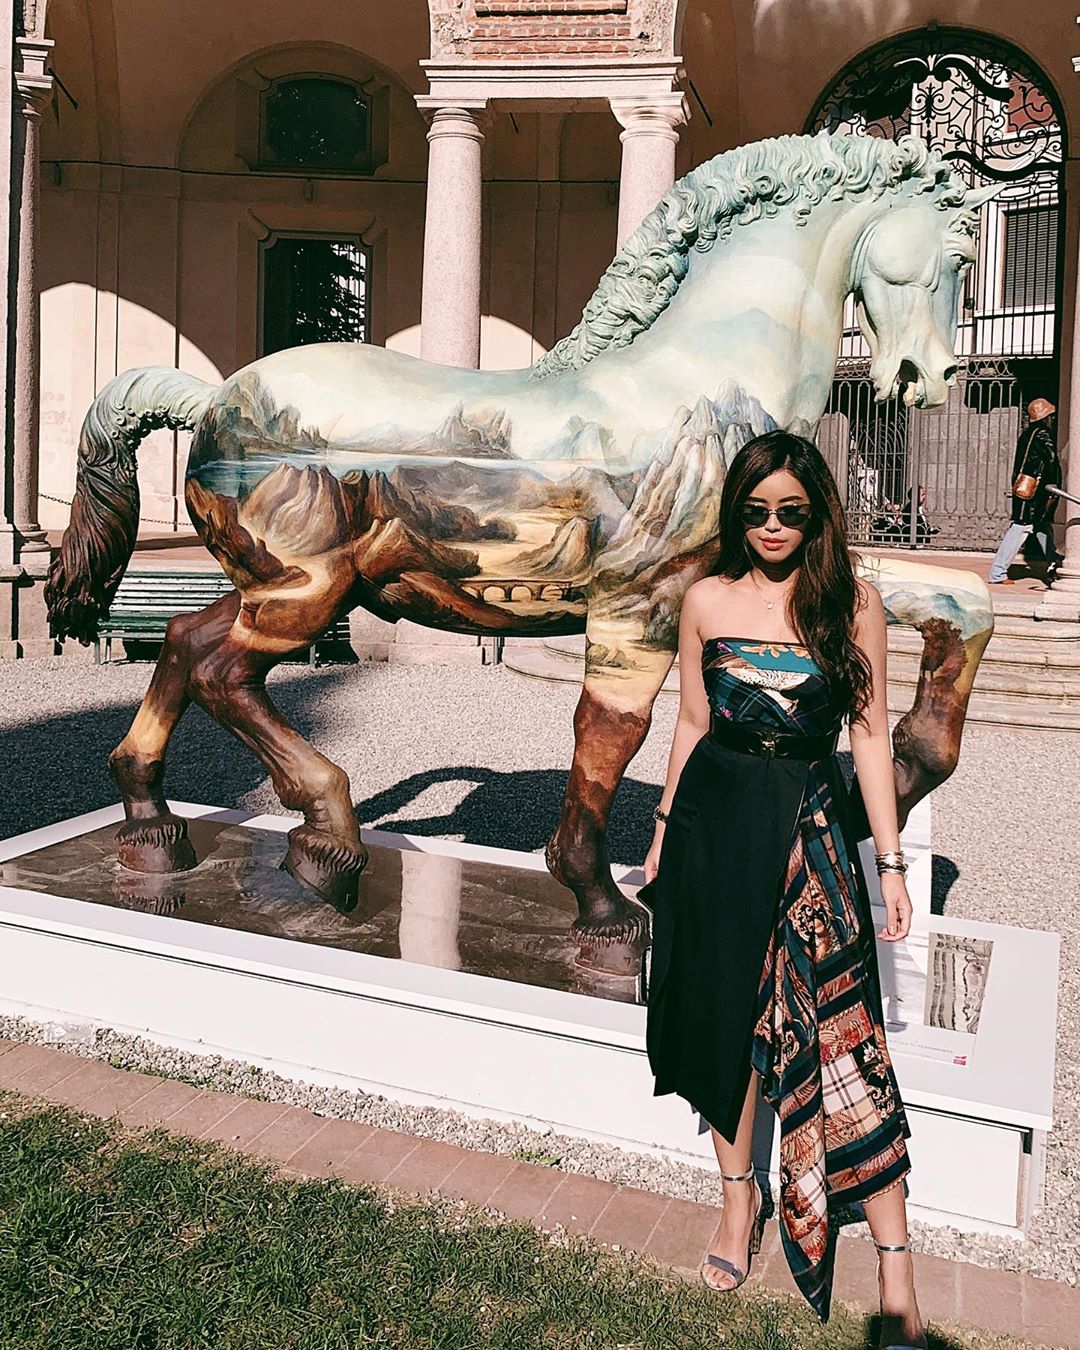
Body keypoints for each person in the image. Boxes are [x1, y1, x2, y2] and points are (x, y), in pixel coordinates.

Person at [639, 429, 926, 1348]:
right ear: (737, 512)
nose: (772, 526)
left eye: (791, 512)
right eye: (756, 510)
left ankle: (895, 1265)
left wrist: (890, 864)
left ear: (816, 516)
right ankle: (739, 1205)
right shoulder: (706, 599)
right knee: (723, 1014)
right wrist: (661, 834)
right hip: (714, 826)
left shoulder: (852, 604)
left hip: (809, 826)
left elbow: (870, 738)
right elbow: (690, 723)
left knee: (845, 1032)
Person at [988, 399, 1063, 585]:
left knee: (1042, 526)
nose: (1053, 419)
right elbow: (1051, 459)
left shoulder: (1027, 434)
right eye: (1051, 416)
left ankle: (1054, 563)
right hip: (1036, 494)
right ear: (1046, 417)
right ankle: (998, 572)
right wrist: (1054, 484)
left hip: (1026, 490)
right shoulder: (1042, 434)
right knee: (1021, 527)